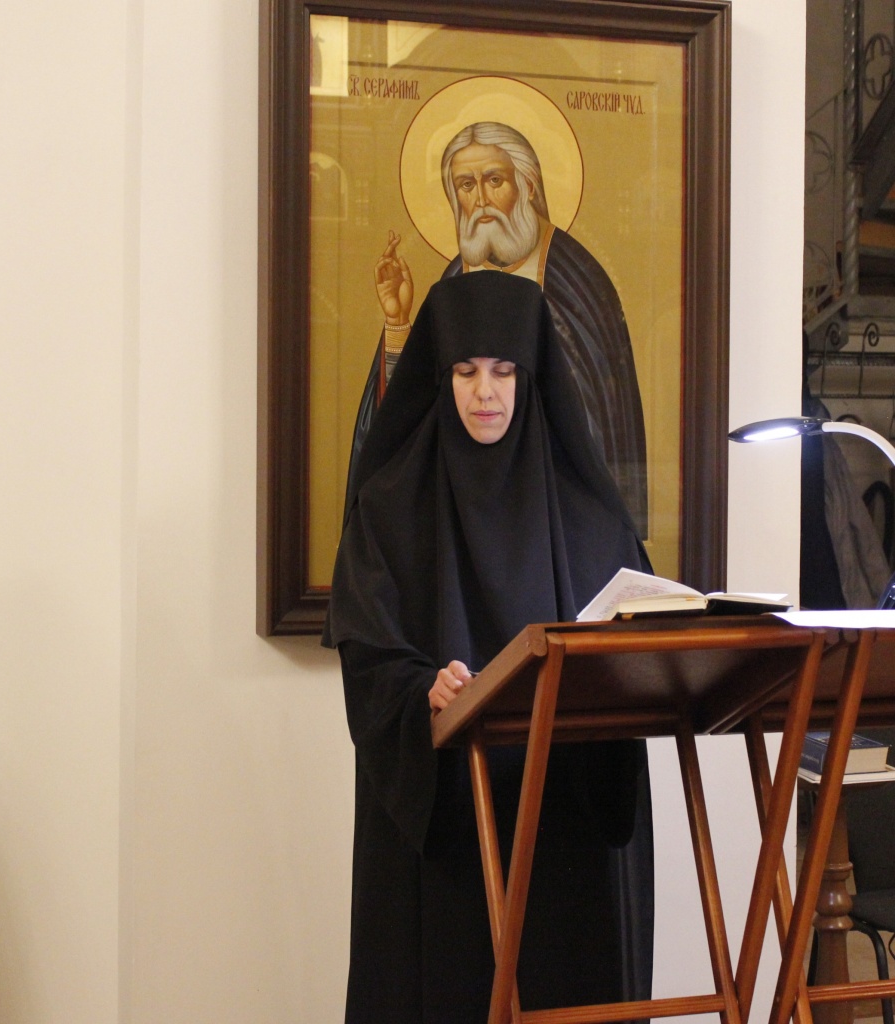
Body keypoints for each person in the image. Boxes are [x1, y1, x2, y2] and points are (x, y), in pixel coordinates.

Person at [324, 272, 654, 1023]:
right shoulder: (388, 505)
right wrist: (422, 691)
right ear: (440, 376)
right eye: (466, 371)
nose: (485, 392)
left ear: (530, 377)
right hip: (442, 819)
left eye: (504, 371)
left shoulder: (592, 515)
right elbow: (366, 649)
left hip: (563, 817)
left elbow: (629, 638)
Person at [356, 120, 648, 537]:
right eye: (466, 185)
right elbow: (409, 417)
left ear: (527, 185)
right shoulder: (453, 280)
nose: (480, 200)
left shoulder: (576, 278)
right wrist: (399, 325)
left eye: (494, 180)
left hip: (547, 498)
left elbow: (593, 419)